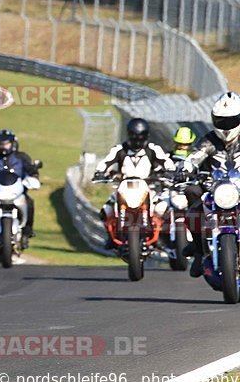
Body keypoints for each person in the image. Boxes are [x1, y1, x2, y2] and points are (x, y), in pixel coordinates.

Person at [176, 93, 240, 277]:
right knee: (191, 193)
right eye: (221, 121)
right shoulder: (209, 140)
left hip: (239, 188)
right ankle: (198, 250)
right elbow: (195, 156)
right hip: (213, 188)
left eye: (229, 122)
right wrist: (185, 168)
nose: (225, 127)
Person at [92, 118, 174, 250]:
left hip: (147, 187)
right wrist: (99, 172)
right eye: (134, 137)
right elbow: (106, 162)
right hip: (124, 186)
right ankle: (111, 236)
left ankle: (159, 237)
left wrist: (171, 171)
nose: (137, 141)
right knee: (106, 210)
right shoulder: (119, 149)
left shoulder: (153, 149)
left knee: (162, 208)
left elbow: (166, 161)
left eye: (140, 138)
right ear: (129, 135)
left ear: (146, 136)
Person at [0, 129, 40, 249]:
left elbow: (31, 170)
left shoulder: (21, 157)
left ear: (12, 143)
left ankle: (26, 232)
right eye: (1, 144)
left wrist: (34, 177)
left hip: (17, 192)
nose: (3, 146)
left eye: (6, 143)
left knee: (29, 203)